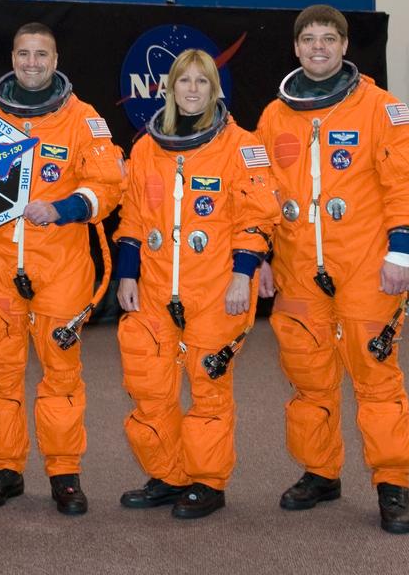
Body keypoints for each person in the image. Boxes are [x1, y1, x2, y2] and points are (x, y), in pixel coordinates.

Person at [254, 4, 409, 534]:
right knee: (309, 379)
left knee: (376, 380)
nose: (317, 47)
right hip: (297, 270)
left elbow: (407, 183)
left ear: (345, 46)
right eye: (308, 39)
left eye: (328, 39)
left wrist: (401, 252)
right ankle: (320, 472)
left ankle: (392, 483)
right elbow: (259, 195)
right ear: (295, 48)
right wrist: (261, 255)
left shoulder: (381, 108)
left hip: (366, 268)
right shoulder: (274, 116)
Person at [0, 23, 125, 515]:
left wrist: (65, 209)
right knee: (0, 379)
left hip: (60, 268)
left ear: (56, 59)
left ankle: (64, 474)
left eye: (42, 54)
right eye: (24, 54)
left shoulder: (84, 120)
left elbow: (109, 185)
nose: (32, 63)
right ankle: (5, 471)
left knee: (61, 379)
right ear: (12, 57)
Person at [113, 49, 277, 519]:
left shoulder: (242, 146)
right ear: (169, 88)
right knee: (150, 386)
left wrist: (242, 276)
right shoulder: (147, 147)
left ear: (214, 89)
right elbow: (134, 218)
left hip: (216, 288)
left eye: (201, 82)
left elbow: (256, 217)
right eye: (182, 81)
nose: (191, 89)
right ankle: (167, 475)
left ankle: (207, 481)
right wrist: (128, 272)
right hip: (156, 288)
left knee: (208, 388)